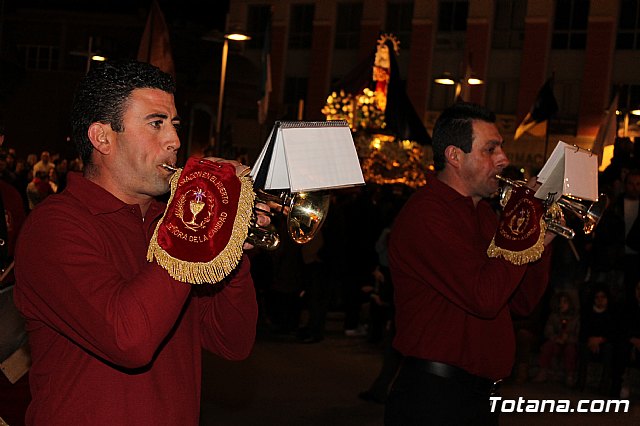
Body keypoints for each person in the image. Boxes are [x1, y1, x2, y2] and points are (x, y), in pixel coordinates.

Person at [13, 60, 266, 425]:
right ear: (102, 137)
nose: (175, 141)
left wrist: (230, 239)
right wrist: (192, 228)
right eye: (156, 124)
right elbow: (128, 340)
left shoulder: (171, 221)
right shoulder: (54, 226)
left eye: (174, 125)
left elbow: (232, 342)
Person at [384, 103, 556, 425]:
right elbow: (485, 297)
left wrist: (540, 241)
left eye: (501, 147)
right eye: (491, 149)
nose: (504, 159)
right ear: (454, 156)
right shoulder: (427, 214)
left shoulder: (484, 214)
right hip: (435, 398)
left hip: (479, 397)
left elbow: (521, 303)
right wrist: (518, 231)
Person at [533, 291, 579, 387]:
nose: (561, 305)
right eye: (560, 302)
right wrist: (556, 338)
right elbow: (548, 331)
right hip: (556, 341)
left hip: (569, 343)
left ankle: (569, 375)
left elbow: (577, 334)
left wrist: (567, 339)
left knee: (570, 350)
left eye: (565, 302)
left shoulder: (575, 318)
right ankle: (543, 371)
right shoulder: (554, 316)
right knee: (547, 346)